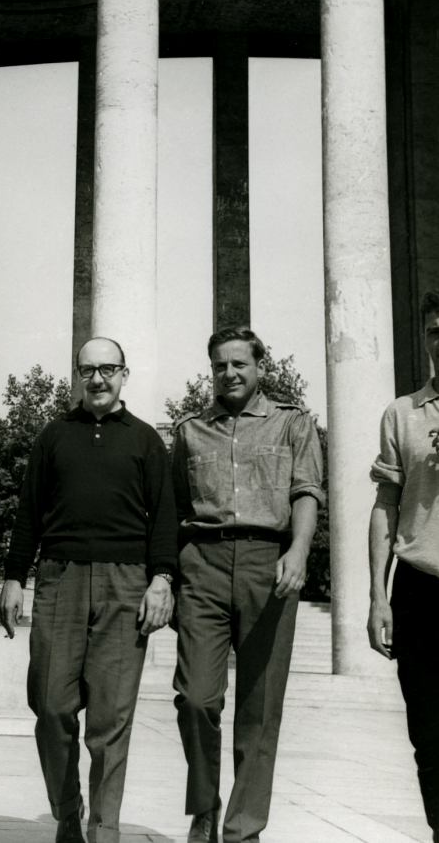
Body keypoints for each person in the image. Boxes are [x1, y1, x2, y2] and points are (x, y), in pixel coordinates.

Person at [0, 337, 178, 843]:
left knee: (110, 719)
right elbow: (29, 512)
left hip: (127, 583)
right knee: (52, 705)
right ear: (78, 376)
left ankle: (104, 830)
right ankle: (66, 810)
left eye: (108, 369)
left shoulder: (145, 440)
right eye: (87, 370)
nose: (97, 379)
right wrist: (14, 576)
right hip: (60, 577)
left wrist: (162, 579)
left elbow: (164, 517)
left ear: (125, 375)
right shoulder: (53, 436)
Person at [171, 326, 323, 843]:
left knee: (259, 706)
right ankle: (204, 807)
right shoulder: (190, 430)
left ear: (260, 367)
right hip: (204, 565)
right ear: (210, 369)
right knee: (195, 697)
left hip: (270, 564)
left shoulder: (293, 424)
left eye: (239, 363)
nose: (229, 373)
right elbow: (174, 507)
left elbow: (307, 490)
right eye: (220, 365)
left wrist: (298, 552)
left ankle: (243, 828)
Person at [368, 290, 439, 843]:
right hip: (420, 586)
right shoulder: (402, 412)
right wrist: (377, 597)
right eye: (436, 329)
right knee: (430, 735)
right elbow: (385, 507)